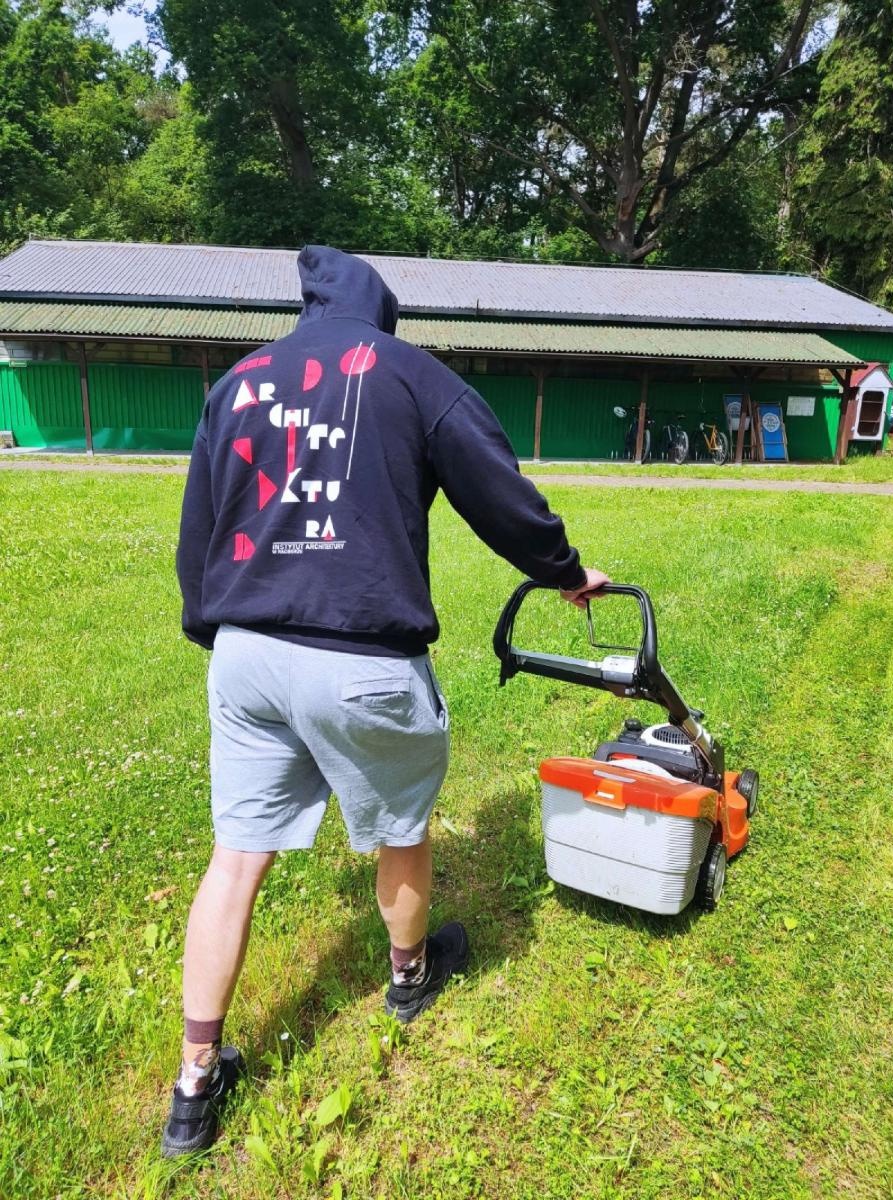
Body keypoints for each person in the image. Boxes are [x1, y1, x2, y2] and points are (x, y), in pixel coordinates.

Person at [163, 245, 607, 1156]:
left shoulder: (238, 382)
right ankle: (409, 979)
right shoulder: (407, 373)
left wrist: (213, 627)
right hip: (359, 656)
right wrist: (563, 571)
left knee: (235, 858)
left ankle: (193, 1090)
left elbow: (198, 524)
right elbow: (497, 490)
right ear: (379, 311)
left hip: (245, 655)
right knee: (399, 828)